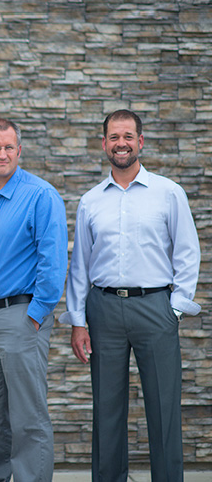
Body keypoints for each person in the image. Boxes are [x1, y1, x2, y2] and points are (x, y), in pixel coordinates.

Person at [60, 110, 200, 482]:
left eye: (127, 136)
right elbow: (80, 266)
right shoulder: (91, 201)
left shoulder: (168, 193)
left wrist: (176, 309)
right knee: (106, 410)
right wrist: (78, 320)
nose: (120, 143)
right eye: (113, 137)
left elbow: (187, 252)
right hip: (103, 309)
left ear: (140, 141)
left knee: (163, 408)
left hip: (156, 308)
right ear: (104, 144)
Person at [0, 118, 67, 482]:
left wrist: (37, 314)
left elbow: (53, 263)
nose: (2, 154)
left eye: (9, 147)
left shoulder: (41, 196)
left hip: (22, 318)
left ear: (19, 151)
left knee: (27, 417)